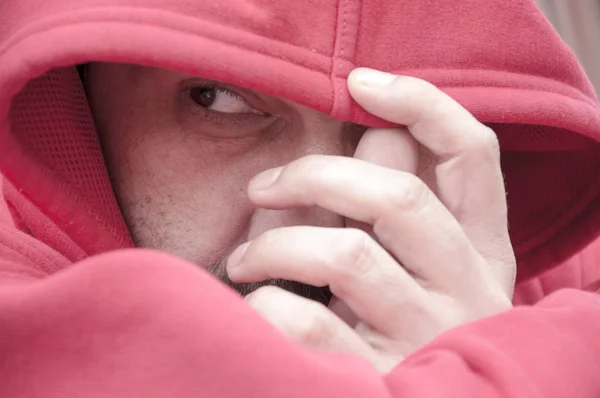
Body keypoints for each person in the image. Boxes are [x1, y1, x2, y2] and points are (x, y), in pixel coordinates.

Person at [0, 0, 599, 397]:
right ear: (75, 86)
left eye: (394, 132)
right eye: (214, 98)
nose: (322, 236)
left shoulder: (542, 275)